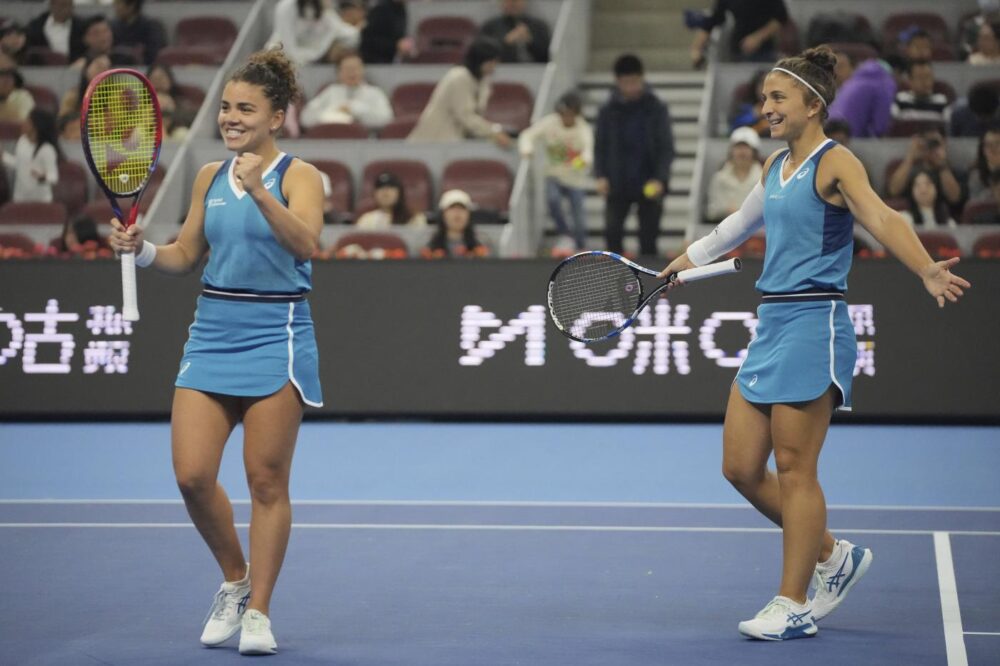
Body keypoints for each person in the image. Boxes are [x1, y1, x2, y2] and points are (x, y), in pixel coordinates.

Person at [659, 46, 969, 641]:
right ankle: (834, 554)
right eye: (766, 97)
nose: (767, 107)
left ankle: (793, 601)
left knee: (796, 470)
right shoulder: (774, 168)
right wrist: (675, 269)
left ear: (813, 104)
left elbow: (881, 218)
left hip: (815, 324)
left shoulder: (837, 162)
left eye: (779, 98)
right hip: (771, 327)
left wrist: (926, 268)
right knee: (740, 468)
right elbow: (731, 231)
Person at [107, 47, 324, 656]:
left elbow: (306, 244)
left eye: (245, 109)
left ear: (276, 117)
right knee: (193, 476)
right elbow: (184, 256)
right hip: (212, 334)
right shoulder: (207, 176)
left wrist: (260, 192)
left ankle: (258, 613)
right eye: (226, 107)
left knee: (265, 481)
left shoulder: (299, 175)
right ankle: (235, 579)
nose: (230, 117)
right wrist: (143, 250)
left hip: (275, 335)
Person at [593, 54, 674, 256]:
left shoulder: (656, 108)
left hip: (649, 180)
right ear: (617, 82)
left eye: (634, 82)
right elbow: (599, 145)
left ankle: (647, 281)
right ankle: (616, 280)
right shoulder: (607, 111)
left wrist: (660, 178)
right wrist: (600, 175)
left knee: (648, 238)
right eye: (625, 83)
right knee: (612, 233)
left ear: (642, 78)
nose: (630, 87)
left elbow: (666, 147)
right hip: (617, 181)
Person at [518, 91, 593, 254]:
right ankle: (565, 235)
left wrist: (582, 161)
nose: (566, 118)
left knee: (578, 216)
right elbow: (527, 135)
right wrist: (527, 148)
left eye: (570, 115)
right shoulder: (550, 123)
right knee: (553, 200)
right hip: (553, 175)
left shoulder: (583, 129)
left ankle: (581, 246)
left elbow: (588, 152)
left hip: (575, 179)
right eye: (563, 115)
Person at [407, 36, 510, 147]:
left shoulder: (483, 80)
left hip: (456, 141)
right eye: (491, 63)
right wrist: (492, 132)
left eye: (495, 63)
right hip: (434, 141)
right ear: (479, 60)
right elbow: (465, 115)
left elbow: (478, 112)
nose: (493, 67)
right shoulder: (459, 76)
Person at [299, 52, 392, 129]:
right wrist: (331, 114)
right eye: (347, 69)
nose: (352, 73)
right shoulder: (331, 91)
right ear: (339, 73)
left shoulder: (375, 92)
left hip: (365, 143)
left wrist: (355, 110)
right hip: (331, 140)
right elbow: (306, 118)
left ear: (362, 70)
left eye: (355, 68)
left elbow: (387, 119)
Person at [690, 0, 789, 66]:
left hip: (765, 51)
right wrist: (697, 48)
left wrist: (758, 37)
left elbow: (781, 18)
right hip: (738, 50)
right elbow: (713, 20)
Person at [885, 129, 963, 209]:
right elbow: (893, 191)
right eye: (928, 143)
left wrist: (941, 163)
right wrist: (910, 158)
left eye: (935, 143)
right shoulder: (911, 170)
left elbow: (955, 198)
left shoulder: (954, 172)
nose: (931, 147)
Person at [268, 0, 360, 65]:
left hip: (314, 55)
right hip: (287, 52)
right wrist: (302, 61)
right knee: (276, 52)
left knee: (343, 47)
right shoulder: (286, 6)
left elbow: (344, 31)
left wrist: (361, 30)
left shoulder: (323, 8)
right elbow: (288, 46)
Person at [1, 108, 61, 202]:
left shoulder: (47, 149)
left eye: (28, 121)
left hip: (41, 201)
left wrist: (43, 177)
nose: (24, 123)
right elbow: (18, 163)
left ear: (36, 126)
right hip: (19, 198)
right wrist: (3, 157)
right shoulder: (22, 141)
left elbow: (54, 176)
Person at [826, 57, 895, 138]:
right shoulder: (884, 83)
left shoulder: (854, 80)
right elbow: (880, 125)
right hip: (847, 136)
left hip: (829, 130)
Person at [706, 127, 762, 223]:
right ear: (731, 151)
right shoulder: (719, 178)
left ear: (754, 152)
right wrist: (727, 211)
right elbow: (712, 211)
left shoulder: (765, 179)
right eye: (738, 147)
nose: (742, 152)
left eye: (746, 147)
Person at [421, 189, 489, 258]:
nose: (457, 213)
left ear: (469, 214)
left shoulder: (482, 244)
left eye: (462, 208)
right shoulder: (428, 246)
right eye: (452, 208)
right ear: (443, 214)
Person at [479, 0, 551, 64]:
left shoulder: (539, 26)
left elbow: (548, 55)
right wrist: (506, 42)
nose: (513, 4)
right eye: (508, 0)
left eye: (516, 1)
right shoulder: (490, 26)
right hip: (501, 70)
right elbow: (484, 56)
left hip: (537, 70)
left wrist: (530, 41)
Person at [355, 171, 427, 229]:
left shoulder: (415, 218)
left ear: (400, 192)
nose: (385, 192)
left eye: (391, 187)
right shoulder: (366, 219)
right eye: (380, 188)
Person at [110, 0, 166, 65]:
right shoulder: (112, 27)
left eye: (118, 3)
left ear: (131, 6)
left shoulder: (151, 27)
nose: (115, 7)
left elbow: (154, 55)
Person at [359, 0, 415, 64]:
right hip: (374, 61)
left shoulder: (402, 9)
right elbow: (369, 40)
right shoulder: (380, 10)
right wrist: (396, 45)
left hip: (391, 59)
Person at [729, 69, 770, 135]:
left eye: (769, 84)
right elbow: (733, 127)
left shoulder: (781, 106)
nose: (765, 89)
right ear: (755, 87)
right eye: (762, 84)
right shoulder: (745, 106)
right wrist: (753, 115)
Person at [967, 121, 1000, 200]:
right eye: (988, 145)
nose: (993, 148)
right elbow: (975, 204)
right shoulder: (976, 175)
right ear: (983, 150)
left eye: (998, 143)